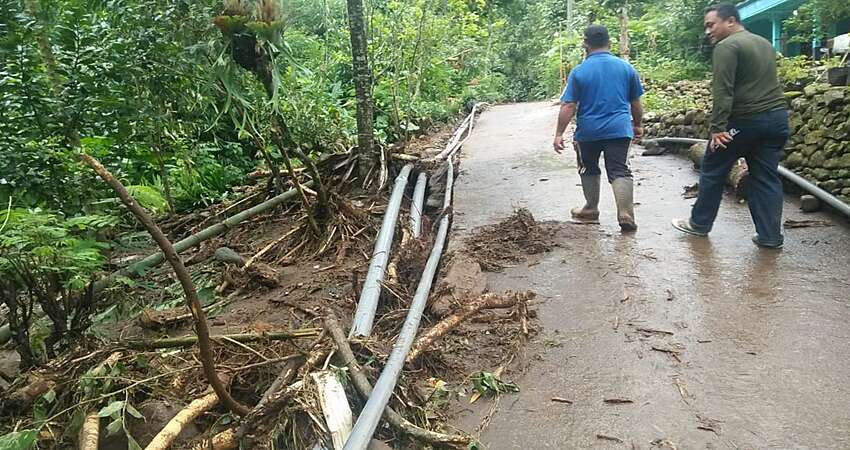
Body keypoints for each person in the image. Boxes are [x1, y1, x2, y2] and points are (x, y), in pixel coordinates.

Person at [671, 3, 789, 249]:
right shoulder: (763, 43)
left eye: (711, 25)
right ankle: (770, 237)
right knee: (766, 177)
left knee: (713, 168)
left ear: (731, 21)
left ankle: (699, 224)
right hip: (777, 119)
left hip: (745, 121)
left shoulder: (727, 46)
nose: (708, 31)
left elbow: (723, 90)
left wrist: (718, 127)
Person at [553, 24, 644, 232]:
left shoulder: (579, 71)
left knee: (588, 167)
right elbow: (636, 102)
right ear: (609, 43)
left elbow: (569, 105)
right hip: (619, 130)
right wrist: (637, 125)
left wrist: (559, 133)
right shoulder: (625, 68)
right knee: (619, 168)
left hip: (589, 132)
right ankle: (625, 213)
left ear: (586, 44)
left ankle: (591, 209)